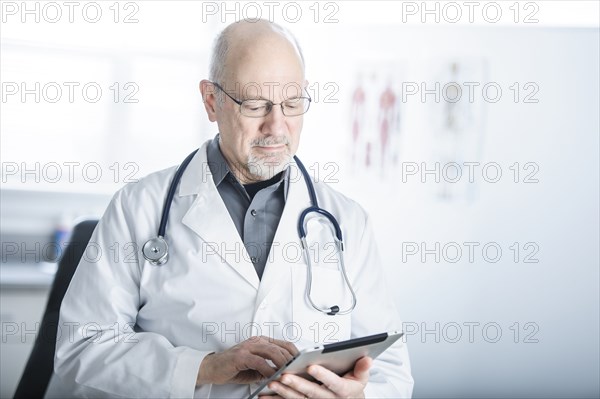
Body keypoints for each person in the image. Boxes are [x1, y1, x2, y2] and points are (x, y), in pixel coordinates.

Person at [45, 19, 414, 398]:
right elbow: (81, 347)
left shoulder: (346, 220)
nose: (277, 126)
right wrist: (203, 367)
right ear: (211, 100)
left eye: (292, 103)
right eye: (255, 105)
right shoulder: (138, 206)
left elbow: (390, 370)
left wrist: (358, 395)